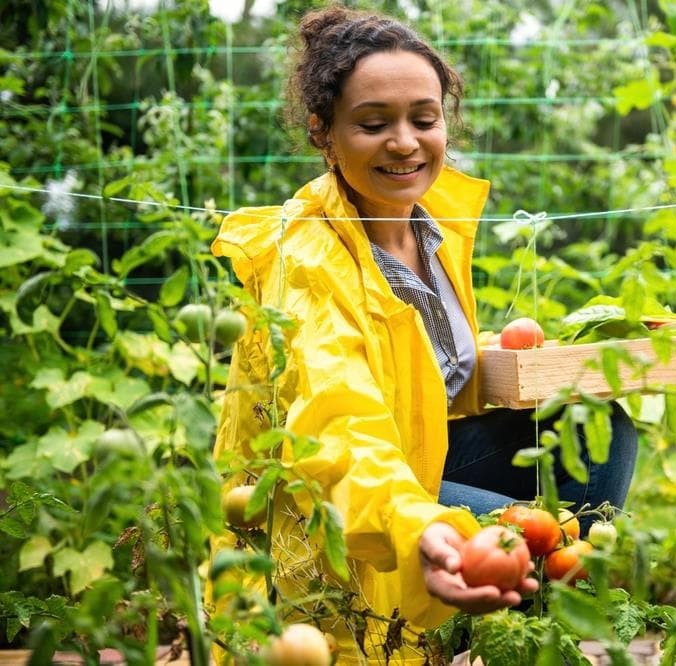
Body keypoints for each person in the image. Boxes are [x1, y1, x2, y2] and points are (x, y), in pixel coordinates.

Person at [210, 4, 637, 663]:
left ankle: (505, 613)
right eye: (373, 124)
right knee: (517, 540)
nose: (405, 142)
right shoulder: (310, 260)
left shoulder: (431, 224)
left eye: (424, 118)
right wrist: (423, 527)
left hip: (416, 457)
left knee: (597, 431)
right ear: (325, 134)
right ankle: (471, 598)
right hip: (330, 493)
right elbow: (336, 428)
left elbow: (412, 363)